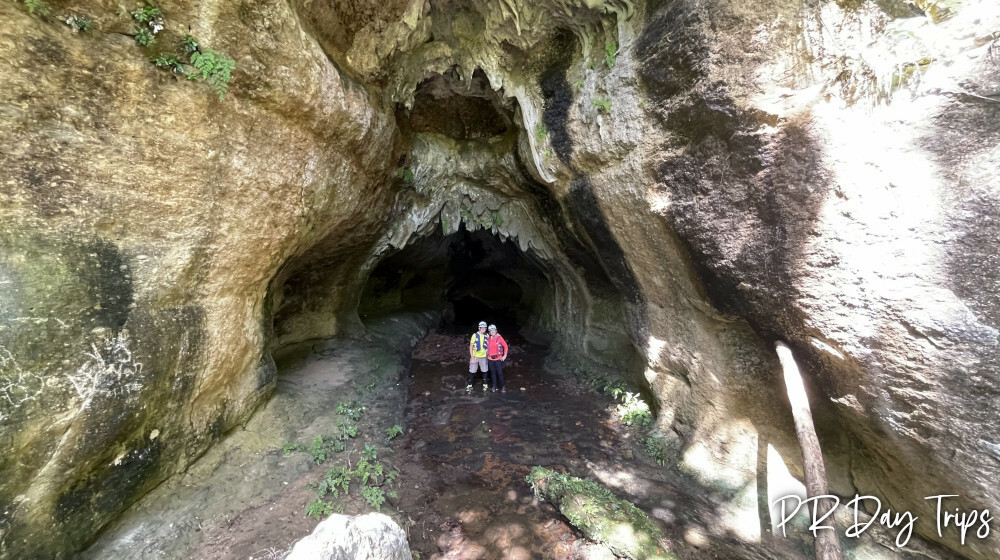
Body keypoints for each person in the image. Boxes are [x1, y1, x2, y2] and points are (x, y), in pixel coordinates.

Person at [486, 324, 509, 394]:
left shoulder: (499, 338)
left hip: (498, 359)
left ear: (496, 331)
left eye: (493, 330)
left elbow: (505, 346)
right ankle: (494, 386)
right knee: (493, 373)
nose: (492, 332)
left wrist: (505, 355)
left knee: (500, 373)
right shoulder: (487, 338)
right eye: (490, 331)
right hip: (490, 359)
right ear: (489, 332)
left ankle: (503, 386)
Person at [468, 321, 489, 392]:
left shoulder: (487, 335)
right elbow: (471, 346)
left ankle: (485, 384)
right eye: (482, 328)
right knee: (472, 370)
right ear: (479, 328)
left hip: (484, 356)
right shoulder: (474, 335)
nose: (483, 329)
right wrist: (472, 357)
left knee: (484, 370)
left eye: (484, 328)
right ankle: (469, 384)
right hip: (475, 356)